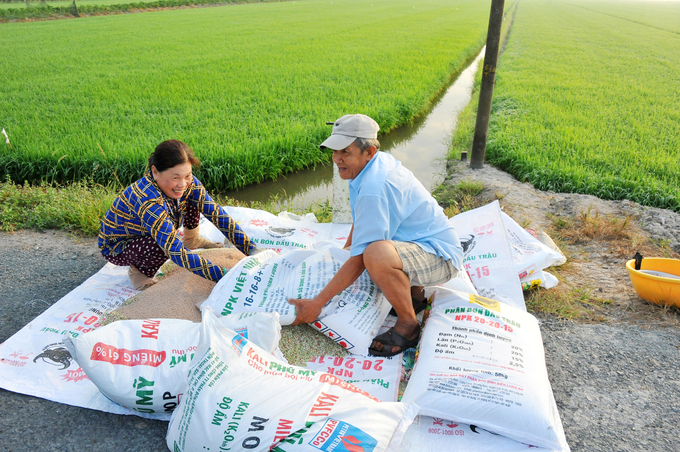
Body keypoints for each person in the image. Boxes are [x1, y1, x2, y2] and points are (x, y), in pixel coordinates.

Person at [288, 114, 463, 357]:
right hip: (419, 244)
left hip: (441, 257)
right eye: (334, 151)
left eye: (345, 152)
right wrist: (346, 250)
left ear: (368, 151)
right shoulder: (373, 165)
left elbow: (362, 257)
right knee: (368, 250)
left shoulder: (374, 186)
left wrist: (317, 304)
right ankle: (415, 296)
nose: (337, 159)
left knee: (375, 254)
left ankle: (408, 325)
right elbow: (364, 220)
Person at [99, 139, 259, 290]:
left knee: (193, 198)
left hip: (148, 227)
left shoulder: (189, 183)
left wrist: (251, 250)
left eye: (187, 175)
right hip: (119, 246)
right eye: (175, 178)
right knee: (162, 244)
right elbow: (175, 251)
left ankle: (192, 239)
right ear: (155, 172)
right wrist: (224, 276)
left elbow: (216, 214)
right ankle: (139, 273)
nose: (182, 183)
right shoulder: (147, 200)